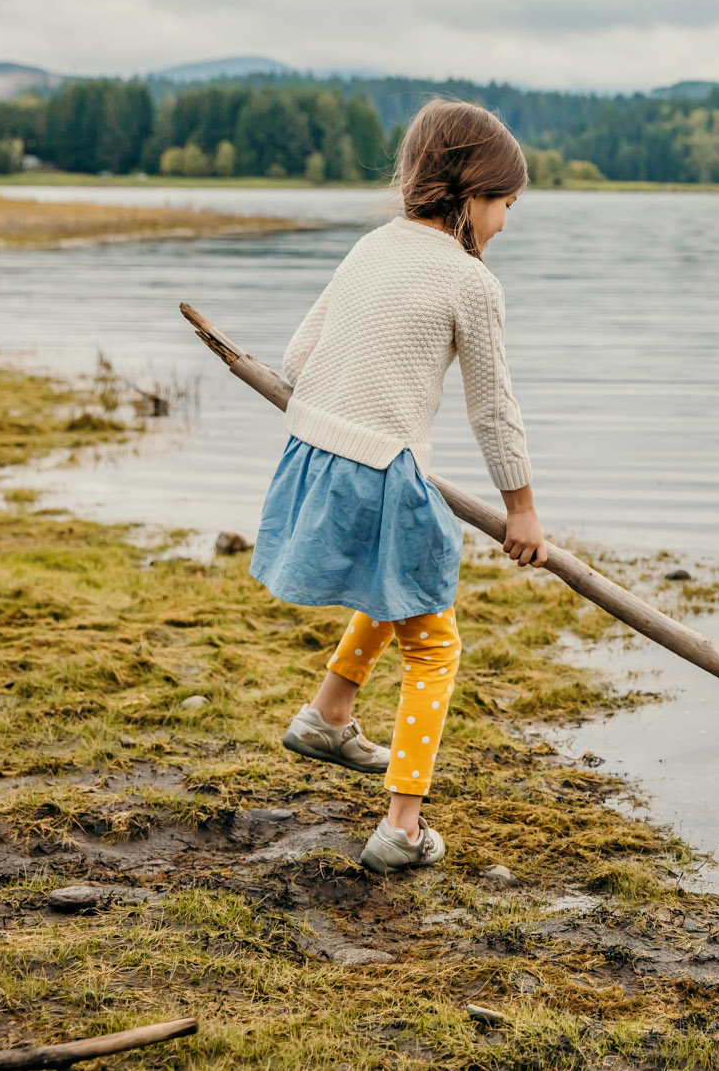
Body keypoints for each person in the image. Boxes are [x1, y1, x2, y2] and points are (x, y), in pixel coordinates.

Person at [248, 98, 548, 874]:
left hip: (314, 456)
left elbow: (295, 356)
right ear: (471, 197)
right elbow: (493, 409)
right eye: (507, 205)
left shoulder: (370, 246)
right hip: (380, 472)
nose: (507, 223)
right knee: (436, 647)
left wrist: (352, 412)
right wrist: (521, 509)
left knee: (399, 589)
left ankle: (328, 714)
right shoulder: (470, 282)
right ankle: (403, 825)